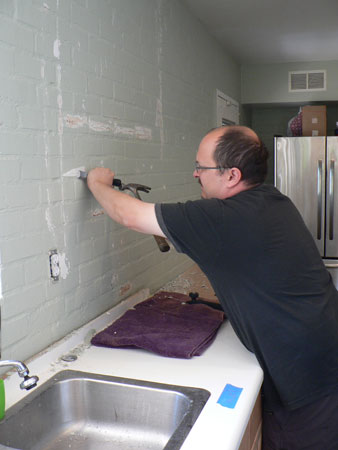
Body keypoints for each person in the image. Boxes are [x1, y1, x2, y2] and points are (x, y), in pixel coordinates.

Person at [87, 126, 338, 450]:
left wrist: (97, 183)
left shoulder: (224, 219)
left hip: (312, 378)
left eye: (200, 167)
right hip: (316, 355)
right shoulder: (271, 201)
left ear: (231, 175)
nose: (195, 174)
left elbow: (128, 215)